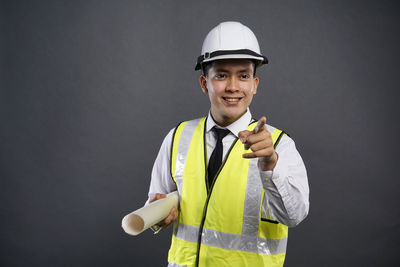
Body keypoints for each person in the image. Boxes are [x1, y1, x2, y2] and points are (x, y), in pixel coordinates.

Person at [146, 21, 309, 267]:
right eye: (221, 75)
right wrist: (157, 216)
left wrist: (270, 166)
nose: (233, 87)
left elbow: (293, 216)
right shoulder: (177, 137)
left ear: (254, 85)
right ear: (204, 83)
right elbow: (156, 204)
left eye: (243, 75)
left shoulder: (279, 146)